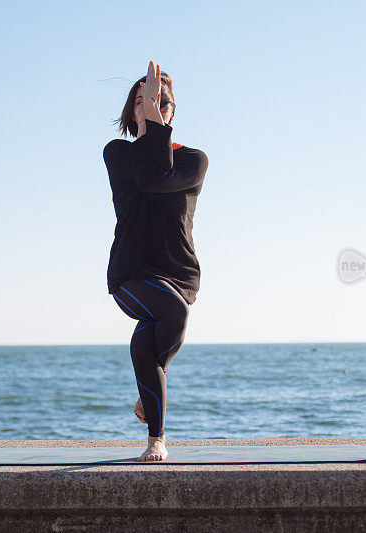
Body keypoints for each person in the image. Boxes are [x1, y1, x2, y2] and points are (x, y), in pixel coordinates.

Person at [103, 60, 209, 461]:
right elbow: (147, 178)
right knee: (173, 315)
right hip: (130, 273)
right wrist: (152, 124)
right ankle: (157, 441)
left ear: (173, 109)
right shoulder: (117, 153)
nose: (152, 106)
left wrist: (155, 121)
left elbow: (162, 178)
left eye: (160, 101)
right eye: (142, 102)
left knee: (148, 347)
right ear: (132, 111)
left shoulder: (194, 160)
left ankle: (148, 400)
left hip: (179, 274)